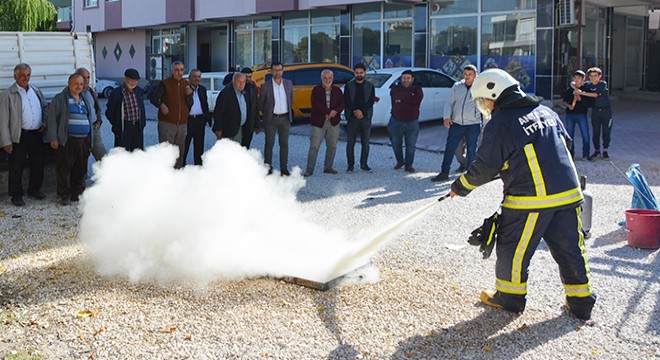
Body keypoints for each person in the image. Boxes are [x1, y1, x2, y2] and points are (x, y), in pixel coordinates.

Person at [449, 68, 596, 321]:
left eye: (484, 100)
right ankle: (581, 303)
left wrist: (459, 187)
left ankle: (510, 298)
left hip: (530, 200)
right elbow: (565, 145)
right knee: (571, 249)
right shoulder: (546, 112)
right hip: (569, 194)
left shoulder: (501, 123)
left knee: (512, 248)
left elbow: (485, 166)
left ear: (493, 94)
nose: (485, 105)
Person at [0, 63, 48, 206]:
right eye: (22, 75)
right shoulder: (8, 94)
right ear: (15, 76)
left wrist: (44, 124)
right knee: (16, 166)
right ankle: (16, 195)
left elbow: (44, 108)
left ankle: (34, 189)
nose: (25, 78)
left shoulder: (36, 90)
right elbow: (3, 120)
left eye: (28, 75)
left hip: (36, 134)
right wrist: (6, 141)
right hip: (18, 135)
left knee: (38, 163)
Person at [45, 73, 94, 206]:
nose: (78, 86)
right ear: (69, 83)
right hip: (67, 140)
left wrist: (91, 141)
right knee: (64, 169)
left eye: (81, 84)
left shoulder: (84, 98)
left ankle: (76, 194)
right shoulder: (60, 98)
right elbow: (52, 120)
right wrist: (53, 138)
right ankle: (64, 195)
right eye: (75, 83)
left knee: (80, 169)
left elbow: (89, 119)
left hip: (83, 140)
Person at [432, 65, 482, 182]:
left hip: (473, 124)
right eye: (465, 74)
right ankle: (444, 173)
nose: (467, 76)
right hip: (457, 124)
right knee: (450, 148)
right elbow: (449, 102)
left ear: (475, 75)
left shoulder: (480, 88)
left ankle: (470, 176)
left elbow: (486, 106)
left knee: (471, 150)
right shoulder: (457, 86)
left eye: (469, 74)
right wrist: (446, 117)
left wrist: (486, 122)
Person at [150, 61, 193, 168]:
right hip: (167, 123)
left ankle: (178, 174)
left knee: (180, 151)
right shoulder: (165, 83)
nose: (180, 72)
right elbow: (154, 98)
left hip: (182, 124)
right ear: (172, 71)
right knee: (166, 151)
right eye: (177, 70)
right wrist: (161, 105)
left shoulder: (187, 84)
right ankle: (165, 174)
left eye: (182, 70)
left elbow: (190, 104)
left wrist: (189, 96)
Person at [304, 69, 345, 177]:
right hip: (318, 122)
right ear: (321, 78)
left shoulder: (337, 90)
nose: (327, 80)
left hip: (333, 122)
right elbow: (315, 104)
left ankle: (328, 167)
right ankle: (309, 169)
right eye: (325, 78)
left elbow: (342, 103)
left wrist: (335, 112)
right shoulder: (316, 90)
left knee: (332, 146)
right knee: (314, 146)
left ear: (332, 78)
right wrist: (327, 112)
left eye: (329, 78)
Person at [259, 62, 294, 176]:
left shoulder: (288, 84)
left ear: (283, 71)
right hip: (271, 119)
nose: (277, 72)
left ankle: (284, 168)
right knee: (269, 144)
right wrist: (268, 113)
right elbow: (261, 104)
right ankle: (267, 168)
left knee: (284, 144)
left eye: (279, 70)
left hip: (285, 118)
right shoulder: (265, 86)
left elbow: (291, 100)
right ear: (271, 71)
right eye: (275, 70)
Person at [388, 69, 423, 173]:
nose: (406, 80)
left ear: (412, 79)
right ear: (401, 78)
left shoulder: (417, 89)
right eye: (404, 78)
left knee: (411, 145)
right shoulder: (395, 88)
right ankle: (400, 161)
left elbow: (417, 99)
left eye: (408, 78)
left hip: (412, 122)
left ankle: (409, 165)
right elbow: (396, 96)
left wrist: (401, 99)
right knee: (395, 143)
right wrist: (409, 96)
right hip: (396, 121)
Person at [574, 67, 612, 160]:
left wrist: (581, 93)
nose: (593, 78)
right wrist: (576, 88)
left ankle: (605, 150)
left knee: (606, 131)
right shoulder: (587, 85)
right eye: (591, 76)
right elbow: (574, 83)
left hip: (606, 111)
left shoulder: (602, 84)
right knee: (596, 132)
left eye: (595, 76)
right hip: (595, 111)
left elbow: (595, 94)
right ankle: (597, 150)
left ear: (600, 76)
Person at [344, 63, 375, 173]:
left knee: (365, 143)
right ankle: (350, 166)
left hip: (365, 118)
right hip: (352, 118)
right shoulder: (348, 85)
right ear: (354, 73)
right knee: (350, 143)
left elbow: (371, 101)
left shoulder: (370, 86)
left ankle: (364, 164)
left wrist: (362, 111)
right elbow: (346, 100)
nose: (359, 75)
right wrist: (355, 111)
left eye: (361, 73)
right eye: (357, 73)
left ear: (365, 73)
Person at [105, 68, 147, 151]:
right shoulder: (117, 93)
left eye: (136, 80)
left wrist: (142, 124)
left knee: (137, 154)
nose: (133, 82)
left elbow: (141, 109)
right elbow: (109, 112)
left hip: (137, 127)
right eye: (131, 80)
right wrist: (117, 125)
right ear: (125, 79)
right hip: (124, 128)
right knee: (123, 155)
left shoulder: (139, 91)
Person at [76, 67, 107, 161]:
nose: (86, 80)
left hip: (94, 129)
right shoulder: (71, 93)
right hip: (80, 131)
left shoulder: (90, 91)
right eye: (83, 77)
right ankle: (82, 176)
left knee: (103, 156)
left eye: (88, 77)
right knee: (81, 158)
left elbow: (97, 108)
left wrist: (99, 121)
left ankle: (108, 175)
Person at [562, 70, 593, 161]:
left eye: (579, 78)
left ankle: (586, 155)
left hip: (582, 115)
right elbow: (564, 101)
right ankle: (571, 154)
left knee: (585, 135)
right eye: (575, 78)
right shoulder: (569, 89)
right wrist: (568, 106)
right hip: (570, 115)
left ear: (583, 79)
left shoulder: (586, 89)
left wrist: (580, 99)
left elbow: (589, 103)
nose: (576, 80)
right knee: (570, 135)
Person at [213, 72, 252, 143]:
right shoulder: (225, 93)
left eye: (243, 82)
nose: (241, 84)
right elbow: (218, 112)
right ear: (233, 81)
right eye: (239, 82)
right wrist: (218, 129)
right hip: (227, 130)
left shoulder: (243, 92)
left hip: (238, 128)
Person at [183, 69, 211, 165]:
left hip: (199, 120)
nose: (197, 79)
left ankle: (198, 168)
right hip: (188, 120)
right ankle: (181, 166)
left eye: (199, 76)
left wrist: (208, 118)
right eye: (194, 76)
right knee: (185, 145)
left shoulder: (202, 89)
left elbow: (205, 104)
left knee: (199, 146)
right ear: (189, 77)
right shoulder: (184, 89)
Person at [240, 67, 259, 149]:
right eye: (246, 77)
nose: (248, 79)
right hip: (237, 123)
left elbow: (256, 107)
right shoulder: (235, 88)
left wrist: (257, 124)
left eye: (250, 77)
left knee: (246, 146)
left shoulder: (252, 88)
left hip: (249, 122)